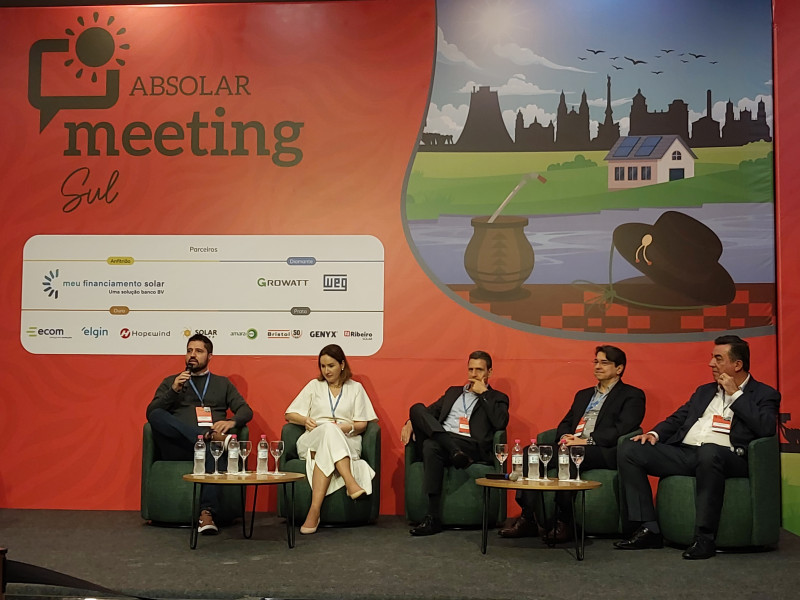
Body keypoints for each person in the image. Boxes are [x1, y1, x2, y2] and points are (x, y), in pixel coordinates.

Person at [615, 335, 780, 559]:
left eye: (718, 359)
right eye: (712, 358)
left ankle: (704, 538)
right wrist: (654, 434)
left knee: (709, 451)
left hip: (728, 457)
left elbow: (766, 428)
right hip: (687, 454)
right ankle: (649, 528)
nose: (711, 363)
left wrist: (736, 395)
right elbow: (678, 418)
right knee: (630, 449)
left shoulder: (764, 394)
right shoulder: (705, 391)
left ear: (737, 364)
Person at [500, 345, 645, 542]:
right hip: (571, 445)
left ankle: (564, 521)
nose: (598, 367)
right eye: (596, 362)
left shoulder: (632, 395)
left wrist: (586, 440)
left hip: (603, 449)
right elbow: (566, 422)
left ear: (619, 368)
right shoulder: (584, 394)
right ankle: (528, 517)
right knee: (529, 453)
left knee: (566, 457)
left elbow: (623, 428)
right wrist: (564, 438)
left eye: (604, 363)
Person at [146, 334, 253, 535]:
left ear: (210, 356)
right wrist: (174, 390)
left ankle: (206, 513)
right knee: (158, 415)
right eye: (189, 350)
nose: (192, 355)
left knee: (213, 450)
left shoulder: (223, 384)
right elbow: (152, 412)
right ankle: (205, 436)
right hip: (179, 447)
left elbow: (246, 411)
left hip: (208, 449)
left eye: (198, 351)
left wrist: (231, 422)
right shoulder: (171, 381)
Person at [400, 350, 510, 536]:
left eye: (479, 370)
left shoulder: (498, 397)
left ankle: (432, 518)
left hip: (470, 446)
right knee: (416, 409)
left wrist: (484, 395)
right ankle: (453, 451)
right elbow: (428, 413)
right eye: (471, 369)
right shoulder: (453, 392)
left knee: (430, 445)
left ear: (489, 373)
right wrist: (410, 422)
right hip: (448, 445)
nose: (474, 374)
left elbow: (500, 423)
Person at [284, 344, 378, 535]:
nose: (326, 371)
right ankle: (350, 482)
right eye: (323, 366)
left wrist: (344, 427)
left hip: (346, 438)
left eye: (331, 366)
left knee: (331, 431)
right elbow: (289, 414)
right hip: (313, 438)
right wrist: (305, 419)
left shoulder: (356, 388)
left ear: (342, 365)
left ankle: (314, 510)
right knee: (327, 428)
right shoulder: (314, 386)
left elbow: (362, 424)